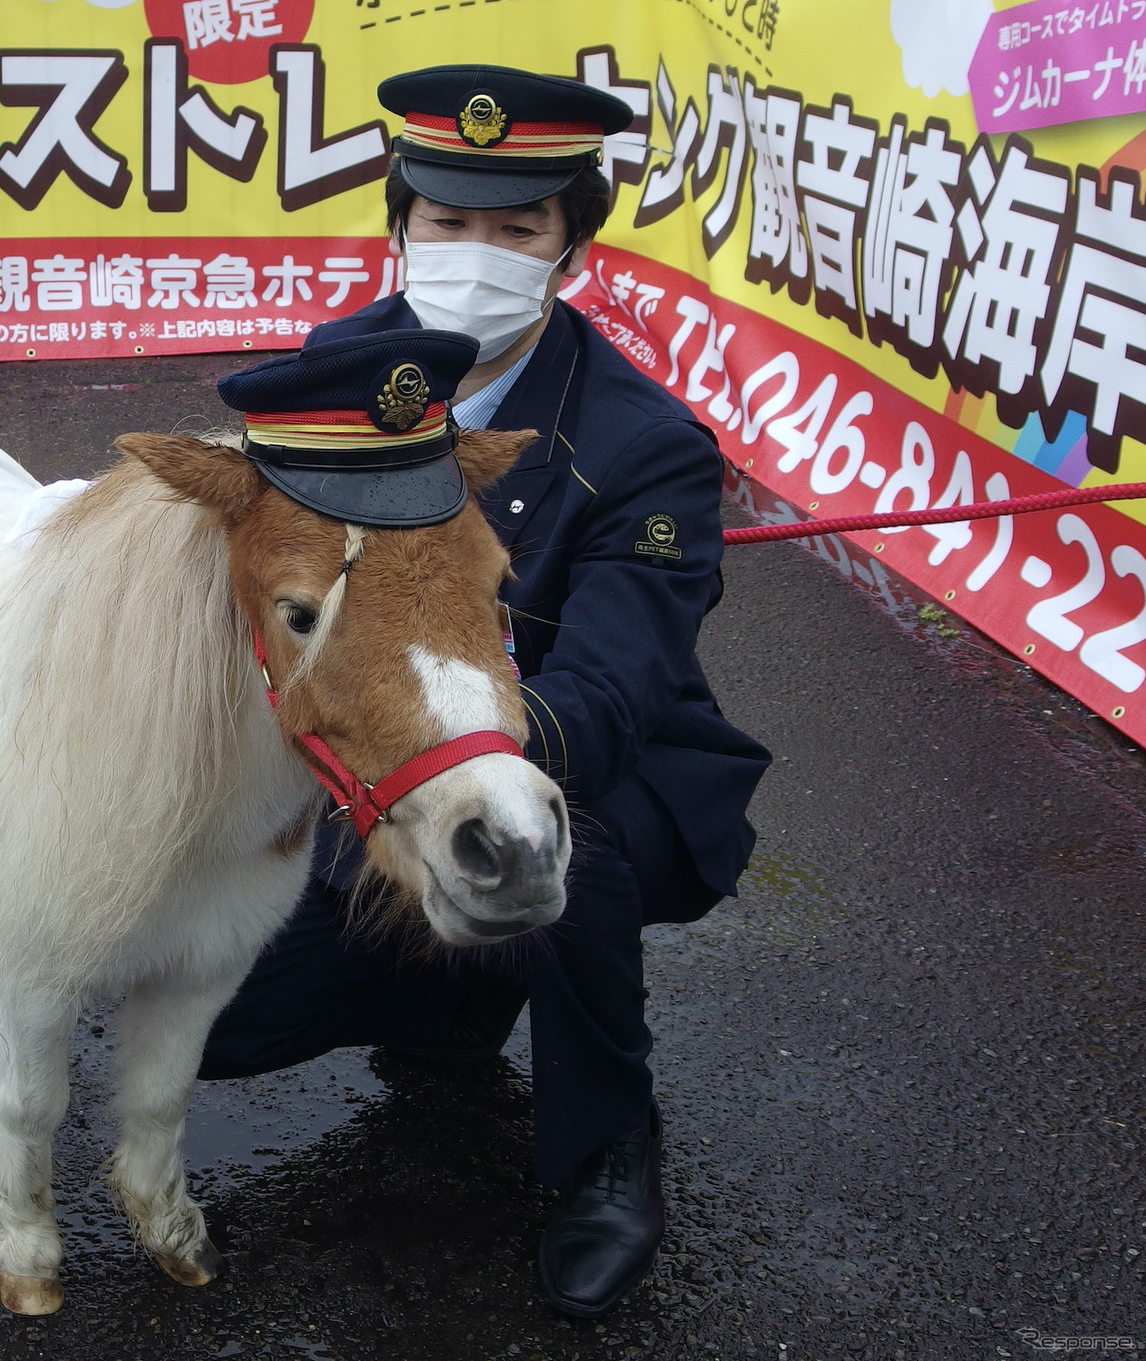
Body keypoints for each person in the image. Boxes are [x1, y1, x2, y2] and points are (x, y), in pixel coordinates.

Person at [199, 65, 772, 1320]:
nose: (475, 253)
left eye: (519, 229)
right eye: (448, 222)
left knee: (573, 849)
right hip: (382, 774)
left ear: (572, 246)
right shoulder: (333, 378)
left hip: (592, 765)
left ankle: (606, 1144)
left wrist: (434, 767)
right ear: (401, 222)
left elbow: (615, 691)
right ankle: (461, 994)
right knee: (222, 1029)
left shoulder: (645, 444)